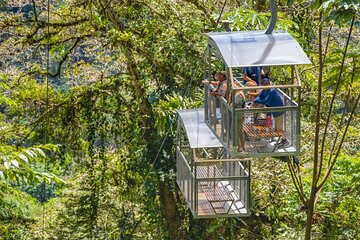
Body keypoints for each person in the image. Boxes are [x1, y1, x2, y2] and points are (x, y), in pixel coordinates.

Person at [253, 77, 289, 147]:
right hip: (273, 110)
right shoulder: (264, 91)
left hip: (279, 111)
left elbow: (265, 101)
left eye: (266, 84)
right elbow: (260, 97)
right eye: (264, 84)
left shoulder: (272, 91)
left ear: (269, 84)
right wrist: (256, 100)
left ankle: (285, 141)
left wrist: (256, 101)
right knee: (277, 128)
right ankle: (282, 140)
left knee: (279, 128)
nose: (265, 85)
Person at [229, 82, 246, 152]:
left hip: (238, 115)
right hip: (238, 114)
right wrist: (230, 93)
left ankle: (240, 147)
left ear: (238, 86)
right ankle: (242, 146)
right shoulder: (236, 94)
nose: (232, 87)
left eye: (234, 86)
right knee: (239, 131)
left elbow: (231, 105)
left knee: (233, 131)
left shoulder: (239, 94)